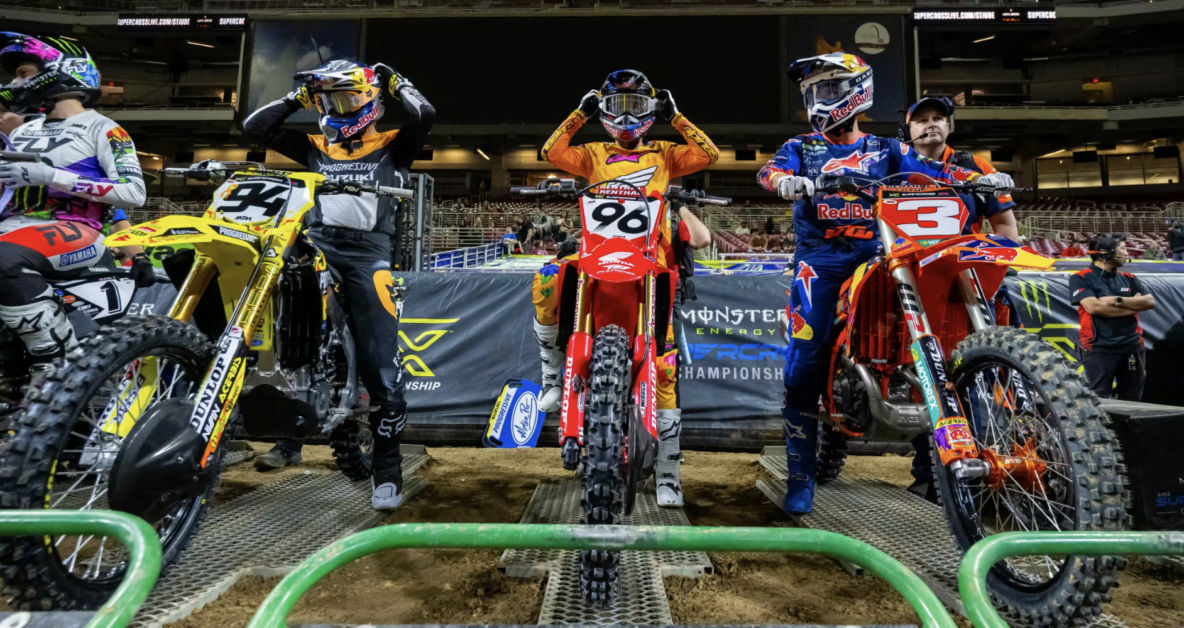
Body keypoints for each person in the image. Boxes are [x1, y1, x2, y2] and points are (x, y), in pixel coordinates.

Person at [757, 53, 1008, 515]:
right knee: (805, 359)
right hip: (821, 261)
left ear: (857, 92)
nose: (820, 99)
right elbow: (768, 172)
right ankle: (800, 475)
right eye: (814, 91)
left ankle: (940, 455)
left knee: (930, 334)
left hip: (879, 254)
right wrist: (786, 182)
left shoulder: (885, 148)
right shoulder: (802, 146)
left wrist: (983, 180)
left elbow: (933, 171)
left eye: (829, 89)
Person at [243, 58, 435, 510]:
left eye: (347, 98)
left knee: (380, 366)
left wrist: (394, 80)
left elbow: (424, 113)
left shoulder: (393, 144)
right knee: (295, 342)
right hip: (317, 245)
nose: (337, 109)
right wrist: (297, 98)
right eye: (328, 101)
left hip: (369, 255)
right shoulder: (314, 145)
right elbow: (256, 127)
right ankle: (289, 441)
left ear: (371, 101)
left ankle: (387, 469)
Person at [533, 69, 715, 507]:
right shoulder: (593, 152)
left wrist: (677, 117)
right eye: (617, 107)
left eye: (638, 107)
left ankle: (668, 471)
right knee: (547, 278)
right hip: (597, 257)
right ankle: (552, 374)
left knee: (665, 368)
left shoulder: (665, 153)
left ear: (651, 111)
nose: (628, 117)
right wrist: (580, 114)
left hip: (654, 264)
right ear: (604, 111)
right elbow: (550, 151)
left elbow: (707, 155)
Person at [0, 33, 153, 372]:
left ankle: (57, 361)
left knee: (2, 259)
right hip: (14, 227)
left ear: (61, 69)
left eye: (23, 73)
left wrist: (51, 176)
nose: (14, 82)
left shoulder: (105, 128)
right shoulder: (21, 131)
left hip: (76, 228)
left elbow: (133, 192)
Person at [903, 96, 1019, 241]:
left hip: (964, 254)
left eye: (938, 118)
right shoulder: (892, 168)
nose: (932, 124)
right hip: (907, 254)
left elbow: (1005, 224)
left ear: (947, 127)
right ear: (908, 131)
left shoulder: (976, 166)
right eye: (922, 120)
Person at [1070, 234, 1155, 400]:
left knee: (1133, 400)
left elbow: (1149, 302)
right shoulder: (1080, 278)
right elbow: (1094, 307)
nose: (1127, 253)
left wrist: (1116, 300)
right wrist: (1133, 307)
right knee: (1098, 399)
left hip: (1132, 347)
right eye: (1123, 248)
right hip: (1098, 348)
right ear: (1106, 252)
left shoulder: (1129, 278)